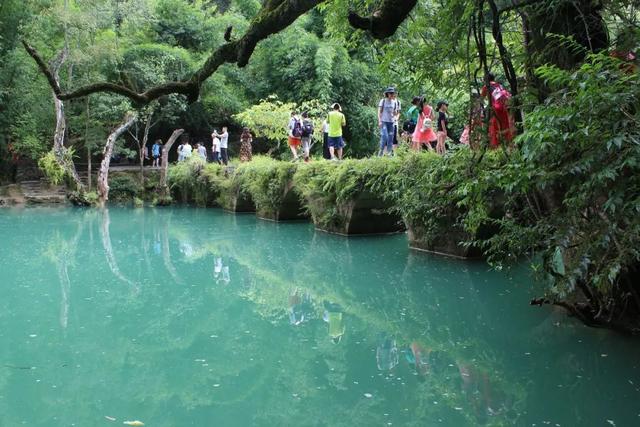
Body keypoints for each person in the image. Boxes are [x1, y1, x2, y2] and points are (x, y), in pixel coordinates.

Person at [481, 73, 515, 148]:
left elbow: (481, 99)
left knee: (493, 126)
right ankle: (508, 143)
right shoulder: (499, 85)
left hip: (495, 108)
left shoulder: (486, 86)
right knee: (505, 125)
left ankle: (496, 146)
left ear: (485, 79)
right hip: (504, 107)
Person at [378, 86, 401, 156]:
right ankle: (381, 152)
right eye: (390, 93)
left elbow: (396, 112)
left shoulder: (395, 102)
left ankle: (389, 153)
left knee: (390, 138)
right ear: (387, 94)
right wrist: (379, 121)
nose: (391, 94)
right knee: (384, 136)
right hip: (384, 121)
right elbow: (379, 111)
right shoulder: (383, 101)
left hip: (391, 122)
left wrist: (395, 116)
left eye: (392, 93)